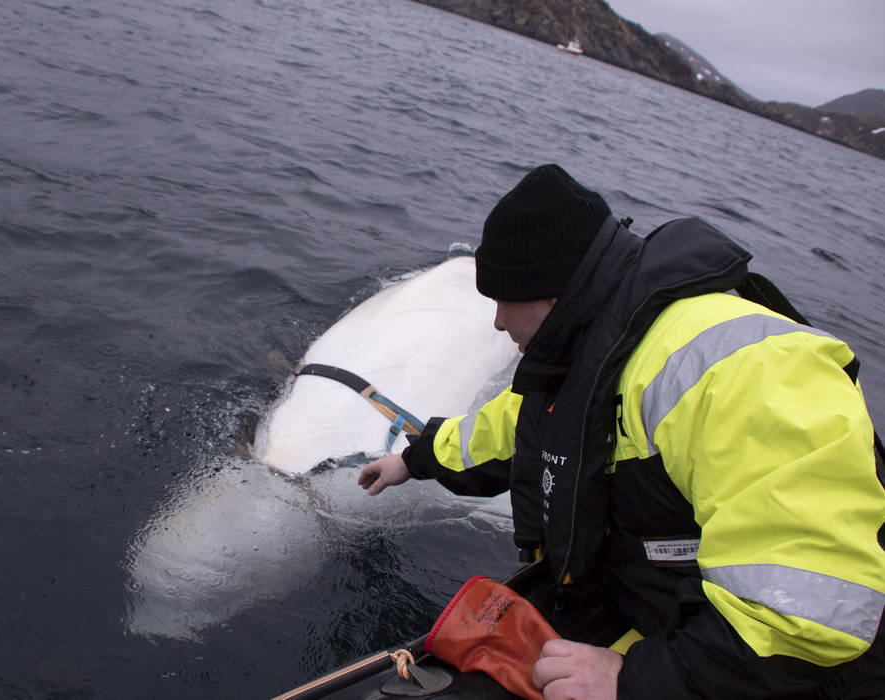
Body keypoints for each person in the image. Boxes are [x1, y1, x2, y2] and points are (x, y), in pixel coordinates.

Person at [358, 164, 885, 699]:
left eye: (502, 300)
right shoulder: (597, 350)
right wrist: (415, 460)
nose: (496, 322)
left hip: (791, 676)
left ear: (551, 294)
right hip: (671, 620)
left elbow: (807, 614)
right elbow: (514, 431)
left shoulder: (750, 370)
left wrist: (632, 682)